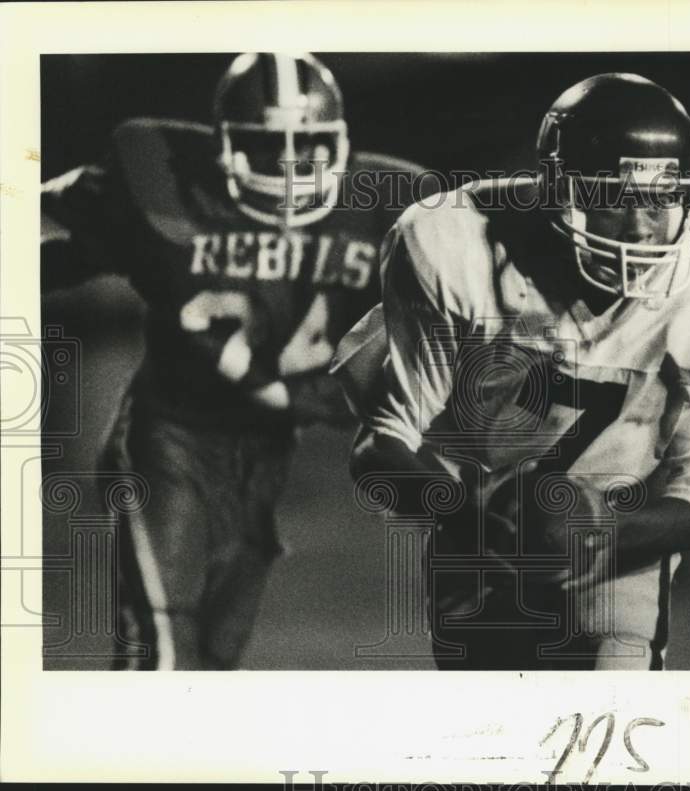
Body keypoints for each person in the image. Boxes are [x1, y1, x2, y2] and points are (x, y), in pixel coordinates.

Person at [338, 73, 690, 670]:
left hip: (618, 536)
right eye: (614, 195)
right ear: (556, 187)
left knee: (607, 724)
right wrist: (480, 523)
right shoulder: (455, 242)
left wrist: (594, 538)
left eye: (663, 197)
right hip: (474, 522)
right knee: (493, 736)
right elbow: (381, 448)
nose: (640, 227)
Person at [41, 52, 425, 669]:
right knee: (161, 646)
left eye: (310, 147)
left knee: (215, 659)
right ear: (226, 147)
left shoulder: (390, 210)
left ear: (340, 144)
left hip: (265, 454)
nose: (292, 167)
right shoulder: (165, 179)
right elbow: (34, 230)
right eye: (269, 147)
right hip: (171, 435)